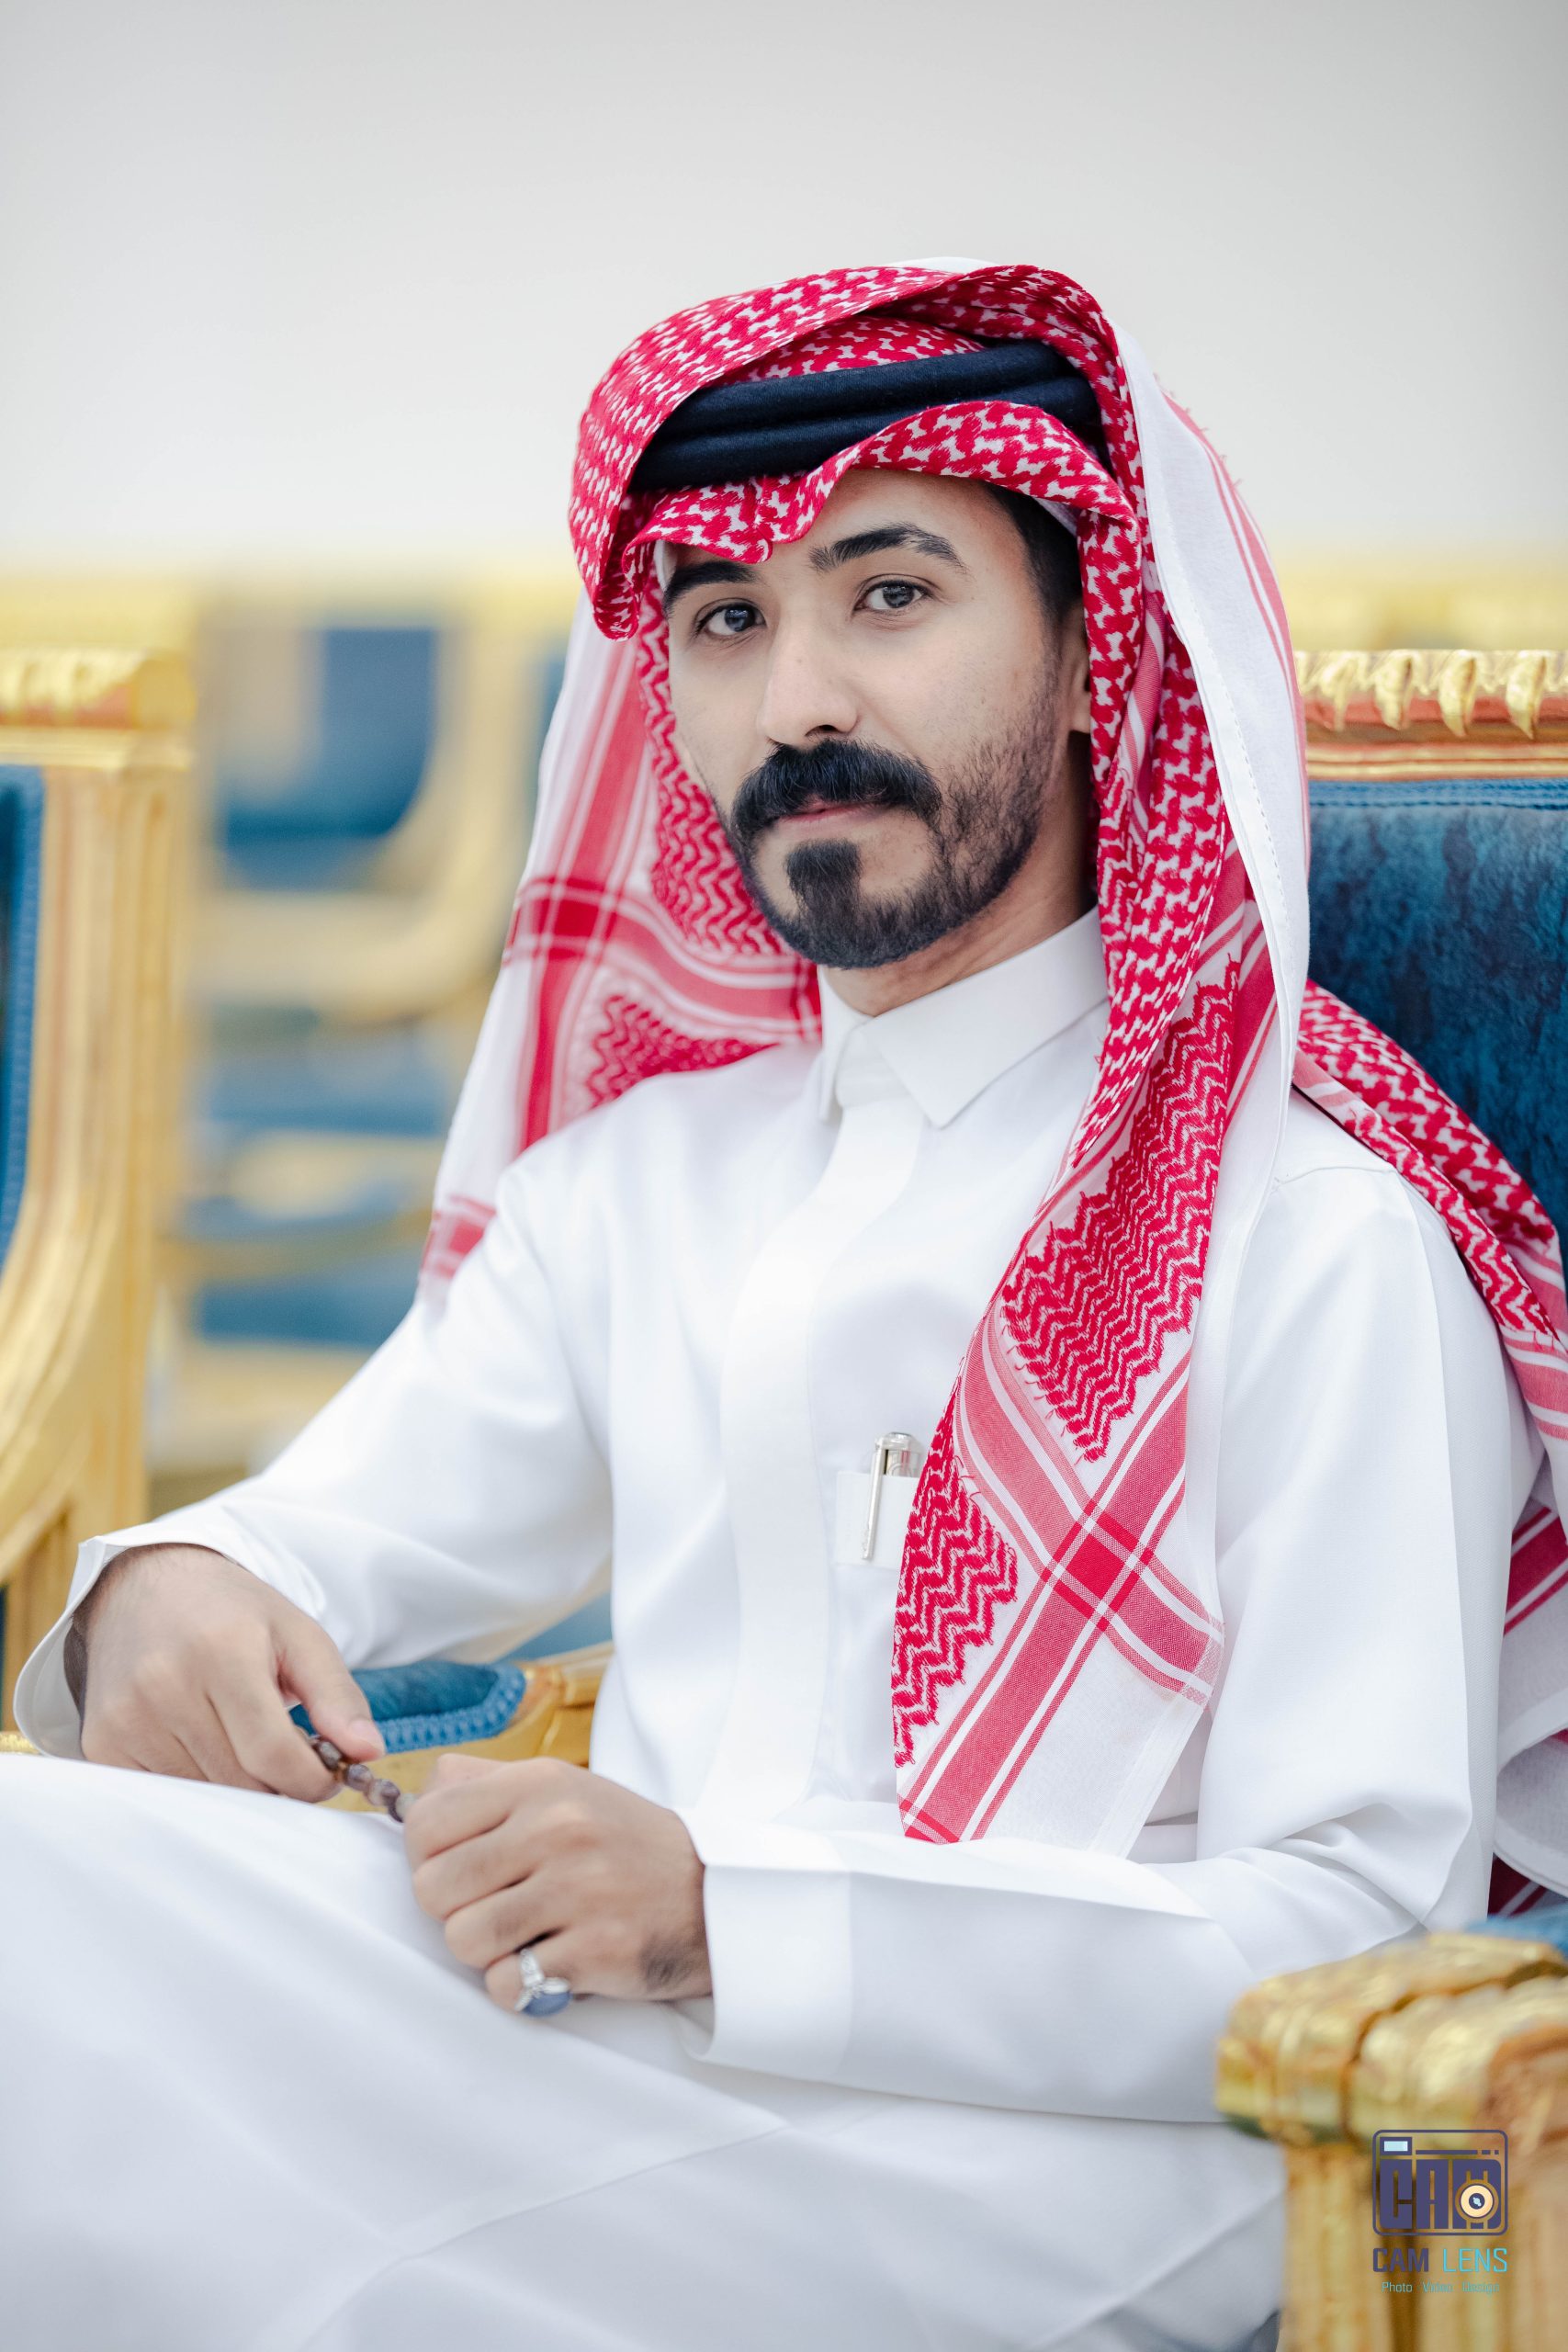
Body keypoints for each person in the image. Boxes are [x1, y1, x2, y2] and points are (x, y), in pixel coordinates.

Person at [5, 258, 1568, 2352]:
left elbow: (1359, 1941)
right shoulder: (635, 1189)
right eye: (726, 620)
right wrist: (173, 1592)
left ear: (1095, 652)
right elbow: (315, 1536)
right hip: (617, 2054)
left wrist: (722, 1918)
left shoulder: (1313, 1236)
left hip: (1086, 2159)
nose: (796, 698)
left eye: (889, 593)